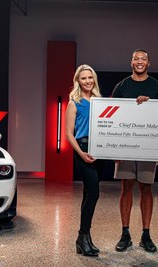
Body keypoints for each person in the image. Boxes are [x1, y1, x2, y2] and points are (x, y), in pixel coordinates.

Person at [112, 49, 158, 253]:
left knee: (146, 188)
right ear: (131, 62)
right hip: (126, 147)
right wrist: (114, 147)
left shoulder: (157, 87)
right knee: (126, 187)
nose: (139, 62)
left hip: (148, 148)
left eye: (143, 59)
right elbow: (112, 114)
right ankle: (125, 234)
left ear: (149, 63)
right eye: (136, 59)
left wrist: (150, 105)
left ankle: (146, 235)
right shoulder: (122, 86)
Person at [65, 64, 106, 257]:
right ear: (78, 81)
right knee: (93, 194)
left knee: (88, 193)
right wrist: (81, 154)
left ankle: (84, 241)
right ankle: (82, 236)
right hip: (83, 149)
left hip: (99, 150)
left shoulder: (100, 101)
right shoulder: (74, 102)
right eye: (84, 78)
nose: (88, 81)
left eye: (90, 77)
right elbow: (68, 134)